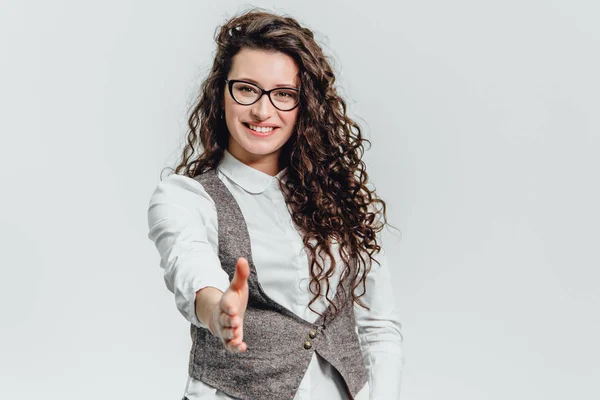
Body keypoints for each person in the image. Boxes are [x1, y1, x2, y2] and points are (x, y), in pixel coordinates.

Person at [147, 8, 404, 400]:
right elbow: (190, 268)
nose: (262, 111)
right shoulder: (186, 198)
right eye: (247, 89)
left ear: (306, 106)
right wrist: (218, 312)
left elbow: (379, 328)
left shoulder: (340, 201)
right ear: (221, 93)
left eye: (283, 94)